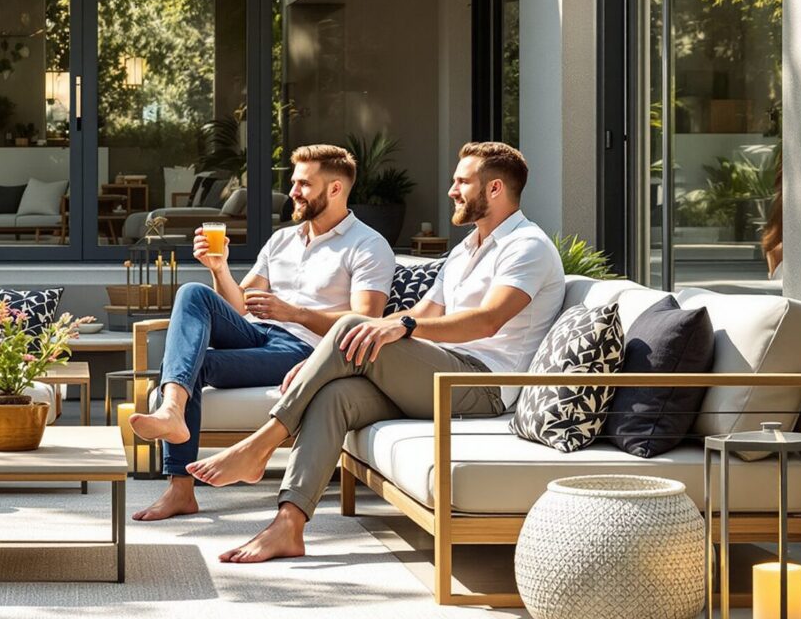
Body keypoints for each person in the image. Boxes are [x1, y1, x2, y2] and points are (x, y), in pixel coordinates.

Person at [189, 141, 566, 563]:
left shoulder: (527, 247)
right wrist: (325, 360)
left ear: (495, 188)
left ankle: (261, 445)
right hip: (437, 374)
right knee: (335, 397)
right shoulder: (466, 249)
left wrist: (396, 326)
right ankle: (288, 526)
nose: (451, 191)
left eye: (461, 182)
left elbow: (487, 321)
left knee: (353, 324)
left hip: (481, 384)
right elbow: (425, 311)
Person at [126, 144, 395, 522]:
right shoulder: (282, 240)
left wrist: (297, 313)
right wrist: (219, 269)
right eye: (294, 182)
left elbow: (366, 319)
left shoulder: (368, 245)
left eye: (303, 184)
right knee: (193, 293)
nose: (293, 192)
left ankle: (179, 489)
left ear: (335, 189)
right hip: (257, 333)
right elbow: (237, 306)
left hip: (305, 352)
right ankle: (171, 411)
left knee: (198, 365)